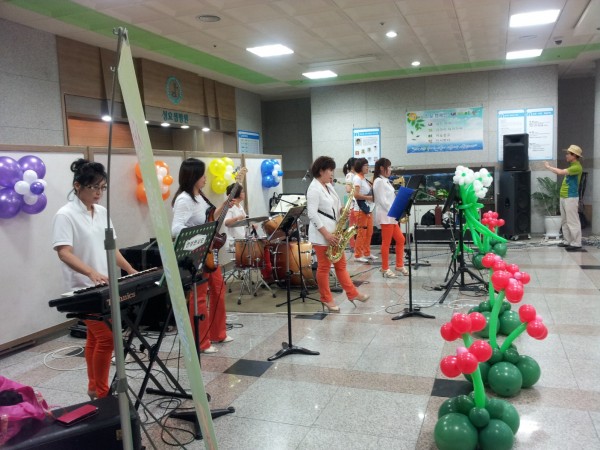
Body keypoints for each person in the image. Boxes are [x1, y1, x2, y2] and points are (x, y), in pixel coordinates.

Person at [52, 159, 137, 400]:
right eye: (94, 187)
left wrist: (130, 270)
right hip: (83, 288)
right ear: (78, 186)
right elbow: (64, 252)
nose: (99, 193)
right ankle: (102, 393)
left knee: (95, 337)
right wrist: (90, 272)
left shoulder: (102, 212)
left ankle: (93, 387)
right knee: (107, 338)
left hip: (105, 285)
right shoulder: (65, 215)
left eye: (102, 188)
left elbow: (112, 249)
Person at [171, 158, 233, 354]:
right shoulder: (184, 200)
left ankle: (218, 333)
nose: (205, 178)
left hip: (209, 252)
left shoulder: (201, 196)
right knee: (199, 297)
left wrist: (225, 206)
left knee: (218, 289)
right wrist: (201, 234)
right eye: (202, 174)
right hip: (196, 254)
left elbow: (210, 218)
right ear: (193, 176)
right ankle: (201, 341)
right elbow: (176, 229)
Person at [306, 156, 369, 312]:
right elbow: (312, 214)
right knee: (324, 267)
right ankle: (326, 299)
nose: (332, 173)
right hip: (322, 235)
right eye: (330, 170)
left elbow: (335, 206)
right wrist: (327, 235)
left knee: (341, 265)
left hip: (335, 231)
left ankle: (352, 293)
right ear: (321, 171)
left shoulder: (328, 185)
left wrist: (342, 211)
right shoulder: (313, 188)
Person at [223, 183, 274, 283]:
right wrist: (237, 218)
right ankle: (267, 275)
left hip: (243, 240)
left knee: (265, 243)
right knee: (262, 245)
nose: (244, 193)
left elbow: (245, 221)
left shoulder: (240, 207)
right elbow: (227, 223)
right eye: (242, 191)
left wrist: (251, 225)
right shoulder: (230, 207)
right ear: (237, 193)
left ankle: (268, 273)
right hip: (234, 242)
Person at [372, 158, 408, 277]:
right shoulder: (379, 181)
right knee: (386, 242)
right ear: (382, 168)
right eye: (389, 167)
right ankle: (385, 268)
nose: (390, 169)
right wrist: (395, 211)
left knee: (401, 240)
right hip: (386, 215)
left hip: (391, 216)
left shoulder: (386, 181)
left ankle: (399, 265)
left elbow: (389, 198)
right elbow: (382, 201)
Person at [544, 144, 583, 251]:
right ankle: (567, 241)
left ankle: (576, 243)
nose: (566, 155)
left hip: (571, 197)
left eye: (568, 154)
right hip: (564, 197)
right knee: (565, 221)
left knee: (572, 221)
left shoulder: (577, 167)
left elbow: (560, 172)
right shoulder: (572, 166)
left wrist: (548, 167)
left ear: (574, 155)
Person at [353, 158, 375, 262]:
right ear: (360, 166)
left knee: (369, 232)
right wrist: (368, 198)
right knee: (362, 233)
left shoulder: (364, 179)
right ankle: (358, 255)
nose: (367, 167)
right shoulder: (357, 178)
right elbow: (356, 195)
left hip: (367, 209)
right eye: (366, 165)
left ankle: (367, 253)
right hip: (360, 210)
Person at [343, 157, 358, 252]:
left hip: (356, 204)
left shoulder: (354, 175)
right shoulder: (350, 175)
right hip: (353, 205)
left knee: (355, 226)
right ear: (353, 166)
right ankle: (352, 245)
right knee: (352, 226)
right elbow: (348, 189)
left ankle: (356, 245)